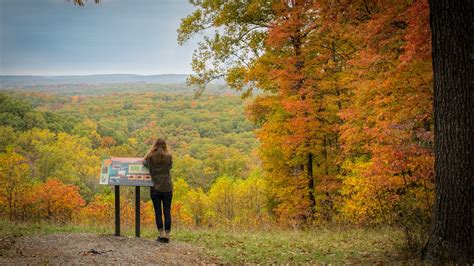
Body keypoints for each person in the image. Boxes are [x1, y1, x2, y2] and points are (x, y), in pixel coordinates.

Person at [144, 138, 173, 243]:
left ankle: (161, 235)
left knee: (158, 212)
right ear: (165, 146)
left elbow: (144, 163)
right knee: (167, 212)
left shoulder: (150, 157)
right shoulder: (169, 157)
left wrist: (150, 152)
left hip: (155, 188)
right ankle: (167, 236)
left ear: (154, 146)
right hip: (167, 187)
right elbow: (170, 167)